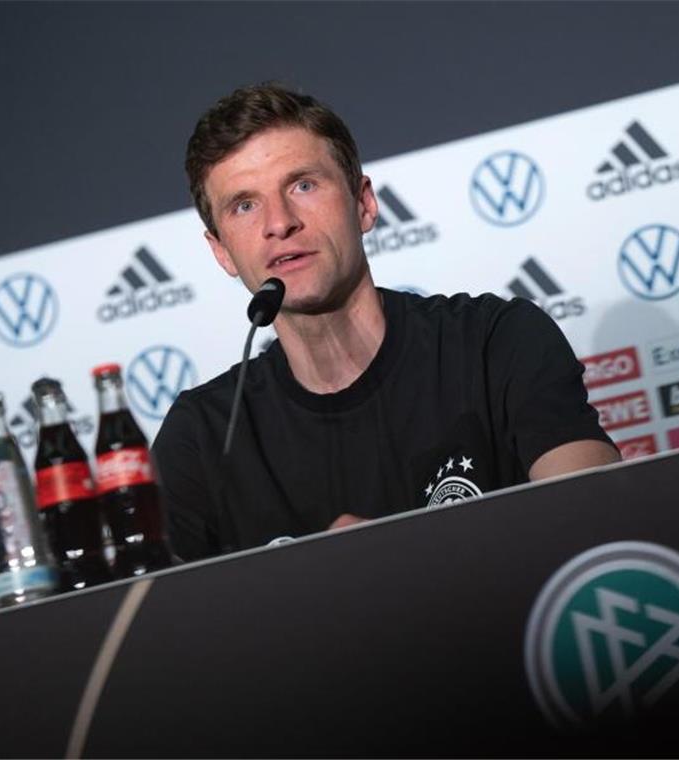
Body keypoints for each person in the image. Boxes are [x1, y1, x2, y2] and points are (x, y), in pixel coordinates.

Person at [151, 83, 620, 562]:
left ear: (363, 204)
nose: (280, 222)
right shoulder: (202, 438)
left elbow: (595, 525)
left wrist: (404, 561)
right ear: (221, 251)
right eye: (245, 205)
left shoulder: (496, 341)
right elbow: (155, 624)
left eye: (303, 185)